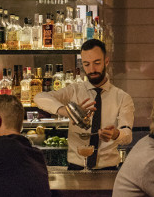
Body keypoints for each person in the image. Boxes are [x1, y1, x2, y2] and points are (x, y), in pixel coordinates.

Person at [35, 38, 134, 170]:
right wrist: (68, 111)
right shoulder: (74, 90)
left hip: (107, 169)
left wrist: (116, 134)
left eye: (97, 63)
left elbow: (127, 135)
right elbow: (39, 97)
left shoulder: (122, 97)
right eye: (87, 64)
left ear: (106, 61)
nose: (92, 69)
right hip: (75, 168)